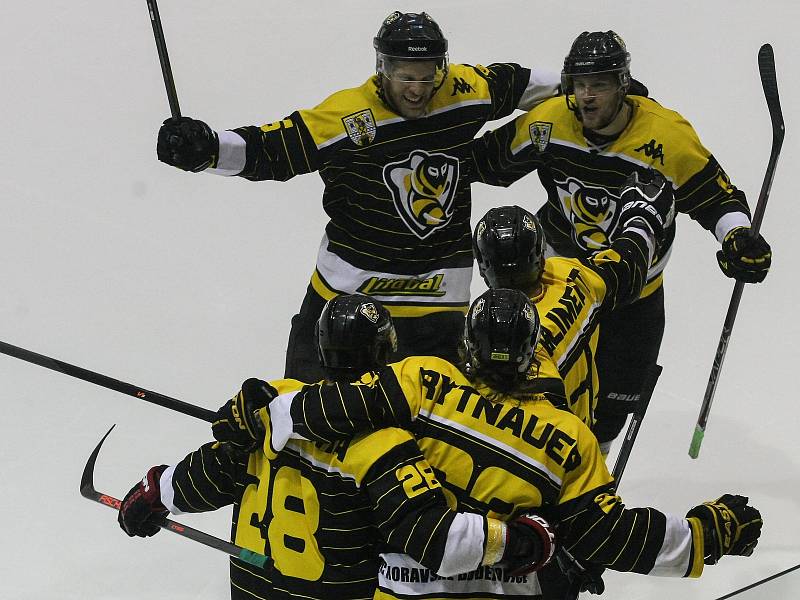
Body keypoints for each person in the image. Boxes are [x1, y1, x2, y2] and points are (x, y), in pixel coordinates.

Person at [226, 288, 762, 600]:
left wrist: (258, 409)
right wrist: (701, 535)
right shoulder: (570, 440)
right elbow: (612, 537)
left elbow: (326, 408)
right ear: (532, 355)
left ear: (468, 346)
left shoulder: (422, 380)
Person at [154, 11, 563, 382]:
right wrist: (207, 148)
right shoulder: (346, 116)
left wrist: (583, 82)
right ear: (382, 68)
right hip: (348, 299)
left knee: (432, 434)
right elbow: (273, 151)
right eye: (405, 76)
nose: (417, 90)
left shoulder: (462, 90)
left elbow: (516, 83)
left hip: (437, 304)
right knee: (305, 408)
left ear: (441, 68)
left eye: (426, 77)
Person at [117, 294, 554, 600]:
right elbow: (435, 541)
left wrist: (155, 492)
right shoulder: (385, 446)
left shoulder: (267, 416)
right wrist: (520, 540)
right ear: (386, 353)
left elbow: (208, 474)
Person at [466, 30, 772, 453]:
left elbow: (716, 198)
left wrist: (737, 235)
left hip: (634, 294)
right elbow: (481, 162)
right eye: (580, 84)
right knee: (528, 388)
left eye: (601, 85)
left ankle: (590, 491)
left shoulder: (667, 136)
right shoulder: (549, 121)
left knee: (609, 411)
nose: (588, 96)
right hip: (556, 287)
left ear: (623, 85)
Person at [472, 167, 672, 430]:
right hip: (577, 436)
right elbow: (628, 267)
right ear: (540, 255)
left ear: (484, 267)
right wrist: (642, 218)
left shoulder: (485, 327)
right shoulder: (577, 278)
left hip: (534, 448)